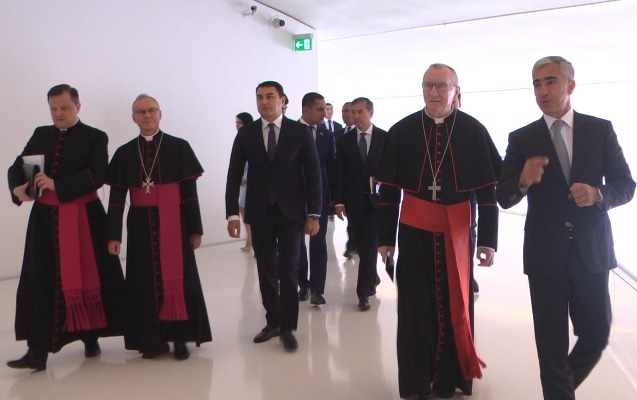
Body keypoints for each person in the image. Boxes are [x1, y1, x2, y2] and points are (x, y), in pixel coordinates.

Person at [497, 56, 635, 400]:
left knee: (597, 335)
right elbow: (503, 196)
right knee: (551, 348)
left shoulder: (600, 130)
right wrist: (523, 181)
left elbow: (626, 185)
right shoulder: (522, 138)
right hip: (545, 257)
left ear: (570, 85)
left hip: (591, 253)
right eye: (536, 84)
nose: (542, 91)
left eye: (550, 81)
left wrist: (598, 194)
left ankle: (558, 391)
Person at [376, 64, 501, 399]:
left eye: (441, 86)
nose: (433, 92)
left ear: (455, 90)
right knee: (414, 309)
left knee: (453, 306)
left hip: (457, 234)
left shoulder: (473, 130)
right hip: (413, 233)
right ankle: (417, 383)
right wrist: (385, 239)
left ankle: (448, 380)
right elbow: (388, 192)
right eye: (428, 85)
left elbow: (488, 193)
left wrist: (488, 241)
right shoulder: (403, 130)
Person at [6, 84, 125, 372]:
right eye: (53, 109)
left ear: (78, 107)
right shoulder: (41, 134)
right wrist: (18, 188)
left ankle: (90, 336)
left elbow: (97, 175)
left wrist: (57, 184)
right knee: (39, 281)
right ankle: (37, 352)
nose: (58, 113)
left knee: (90, 276)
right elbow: (18, 166)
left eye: (64, 108)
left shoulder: (95, 137)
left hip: (85, 218)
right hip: (45, 221)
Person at [105, 94, 212, 361]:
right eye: (141, 112)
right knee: (143, 282)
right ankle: (151, 340)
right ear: (133, 118)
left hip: (176, 222)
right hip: (140, 226)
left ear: (160, 114)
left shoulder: (179, 147)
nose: (147, 115)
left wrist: (195, 229)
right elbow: (116, 200)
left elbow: (190, 194)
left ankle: (180, 339)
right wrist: (113, 235)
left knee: (180, 279)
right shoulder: (125, 153)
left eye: (151, 110)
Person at [225, 81, 322, 352]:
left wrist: (314, 214)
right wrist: (232, 214)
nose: (264, 102)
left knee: (288, 268)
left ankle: (288, 327)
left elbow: (314, 175)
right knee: (265, 269)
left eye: (270, 96)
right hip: (259, 212)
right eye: (259, 97)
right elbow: (234, 174)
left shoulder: (299, 132)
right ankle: (274, 321)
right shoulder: (246, 135)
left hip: (292, 213)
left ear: (282, 100)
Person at [333, 97, 389, 311]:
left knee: (370, 244)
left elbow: (391, 171)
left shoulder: (384, 138)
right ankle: (372, 276)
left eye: (359, 112)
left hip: (377, 202)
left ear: (370, 112)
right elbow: (339, 173)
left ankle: (363, 292)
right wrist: (338, 202)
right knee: (360, 243)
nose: (355, 116)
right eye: (352, 112)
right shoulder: (344, 141)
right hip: (353, 201)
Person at [297, 92, 336, 306]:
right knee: (297, 243)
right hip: (294, 197)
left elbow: (331, 167)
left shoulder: (325, 134)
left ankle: (317, 290)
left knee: (319, 243)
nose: (324, 113)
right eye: (320, 109)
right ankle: (302, 284)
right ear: (306, 109)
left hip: (320, 196)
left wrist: (334, 198)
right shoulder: (290, 132)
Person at [236, 112, 255, 252]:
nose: (237, 126)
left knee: (248, 212)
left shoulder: (252, 138)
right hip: (243, 183)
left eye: (240, 123)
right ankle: (250, 240)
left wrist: (245, 178)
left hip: (250, 183)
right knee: (243, 211)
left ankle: (252, 241)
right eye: (236, 123)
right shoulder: (240, 138)